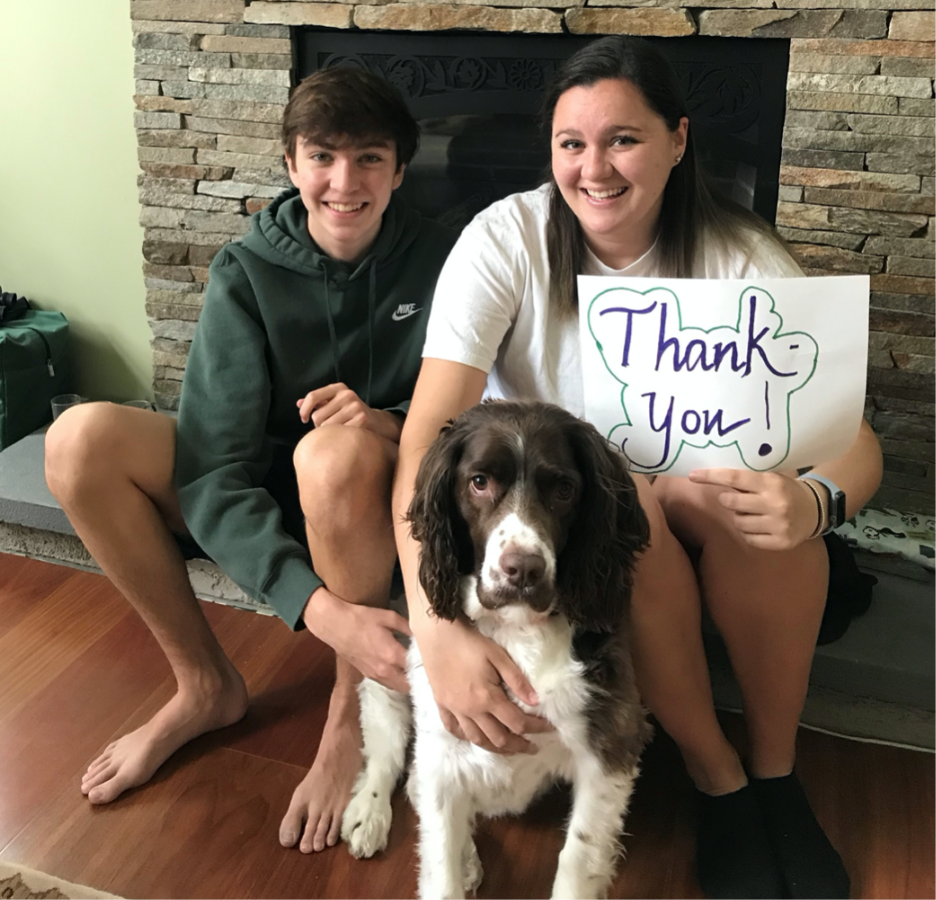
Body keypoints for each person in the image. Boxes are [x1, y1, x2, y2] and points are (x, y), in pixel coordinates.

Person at [392, 36, 881, 900]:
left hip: (697, 512)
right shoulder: (505, 239)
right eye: (571, 143)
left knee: (730, 508)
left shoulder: (738, 255)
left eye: (623, 138)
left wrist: (814, 501)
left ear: (679, 140)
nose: (595, 167)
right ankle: (715, 778)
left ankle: (775, 776)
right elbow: (429, 437)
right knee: (637, 515)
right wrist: (435, 626)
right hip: (571, 523)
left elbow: (854, 439)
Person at [45, 68, 456, 855]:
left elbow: (480, 413)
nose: (345, 182)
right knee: (77, 441)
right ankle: (204, 685)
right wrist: (316, 606)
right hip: (279, 492)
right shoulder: (247, 268)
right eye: (322, 157)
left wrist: (385, 423)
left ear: (401, 170)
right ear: (292, 164)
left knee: (333, 453)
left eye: (370, 158)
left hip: (386, 492)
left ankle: (350, 718)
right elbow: (212, 467)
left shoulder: (449, 258)